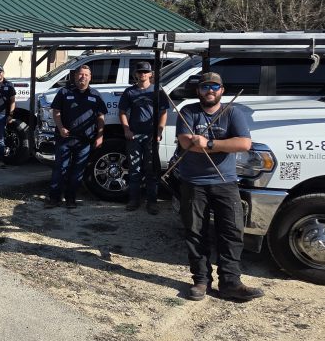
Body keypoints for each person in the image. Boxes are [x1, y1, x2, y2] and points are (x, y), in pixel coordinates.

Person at [175, 71, 263, 302]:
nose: (210, 91)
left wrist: (209, 143)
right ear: (198, 91)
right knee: (195, 232)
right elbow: (186, 142)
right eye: (205, 87)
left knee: (232, 232)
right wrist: (217, 145)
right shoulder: (188, 111)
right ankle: (201, 280)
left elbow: (244, 143)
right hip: (194, 182)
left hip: (226, 182)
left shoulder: (233, 112)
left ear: (222, 90)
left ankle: (231, 282)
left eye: (215, 87)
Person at [46, 65, 106, 209]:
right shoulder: (64, 92)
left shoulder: (96, 95)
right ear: (75, 76)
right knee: (60, 169)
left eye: (86, 75)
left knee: (77, 172)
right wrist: (60, 128)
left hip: (84, 141)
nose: (83, 77)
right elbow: (56, 112)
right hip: (64, 139)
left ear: (90, 77)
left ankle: (71, 199)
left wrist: (100, 136)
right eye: (80, 74)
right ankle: (54, 198)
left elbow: (101, 117)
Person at [118, 61, 169, 214]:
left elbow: (163, 113)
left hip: (151, 137)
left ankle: (152, 202)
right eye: (140, 72)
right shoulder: (129, 92)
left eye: (145, 72)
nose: (142, 74)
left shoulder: (157, 91)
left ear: (150, 74)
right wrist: (126, 130)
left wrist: (158, 132)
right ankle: (134, 200)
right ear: (136, 74)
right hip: (133, 136)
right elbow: (122, 112)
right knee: (134, 169)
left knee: (151, 170)